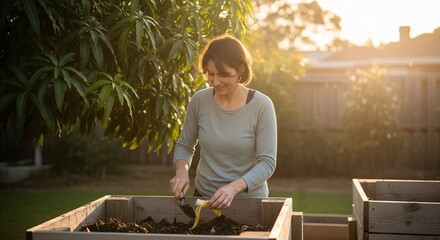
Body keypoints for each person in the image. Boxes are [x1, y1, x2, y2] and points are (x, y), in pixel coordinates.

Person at [169, 35, 277, 210]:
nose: (216, 82)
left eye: (223, 74)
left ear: (241, 69)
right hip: (203, 199)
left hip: (249, 203)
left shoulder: (262, 105)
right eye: (210, 74)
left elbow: (267, 163)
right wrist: (181, 172)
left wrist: (233, 188)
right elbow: (184, 145)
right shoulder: (199, 100)